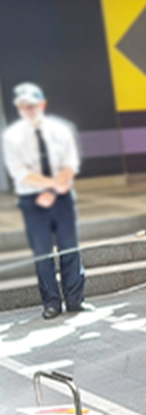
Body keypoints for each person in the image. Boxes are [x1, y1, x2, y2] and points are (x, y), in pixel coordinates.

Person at [3, 83, 85, 320]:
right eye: (23, 106)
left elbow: (71, 164)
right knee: (43, 252)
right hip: (32, 199)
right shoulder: (12, 136)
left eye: (33, 105)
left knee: (70, 248)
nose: (29, 109)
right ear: (18, 107)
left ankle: (75, 300)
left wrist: (56, 188)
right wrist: (50, 187)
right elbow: (19, 172)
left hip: (63, 196)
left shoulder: (61, 129)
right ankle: (51, 303)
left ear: (43, 104)